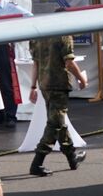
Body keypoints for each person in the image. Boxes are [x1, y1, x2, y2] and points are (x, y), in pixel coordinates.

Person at [27, 34, 88, 177]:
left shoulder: (37, 37)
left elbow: (36, 63)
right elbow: (69, 62)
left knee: (58, 121)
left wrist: (33, 86)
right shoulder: (64, 36)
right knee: (54, 124)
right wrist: (82, 79)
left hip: (45, 84)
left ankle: (72, 157)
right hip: (59, 84)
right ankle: (37, 162)